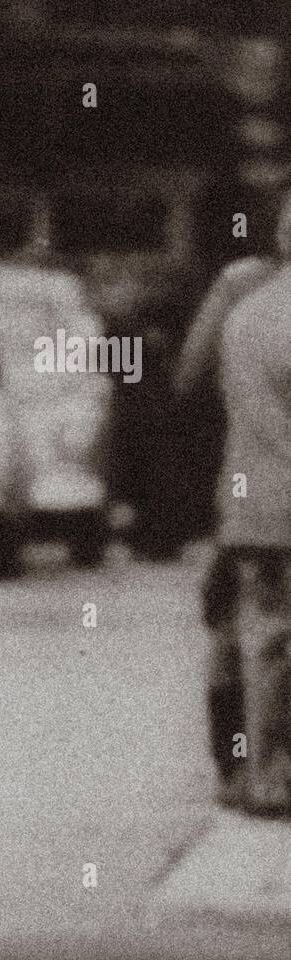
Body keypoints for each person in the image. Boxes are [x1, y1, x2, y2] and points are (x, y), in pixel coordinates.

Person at [176, 189, 291, 814]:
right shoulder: (249, 295)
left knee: (243, 636)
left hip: (245, 505)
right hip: (256, 502)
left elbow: (186, 380)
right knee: (255, 636)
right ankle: (262, 774)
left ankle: (244, 773)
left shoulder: (244, 300)